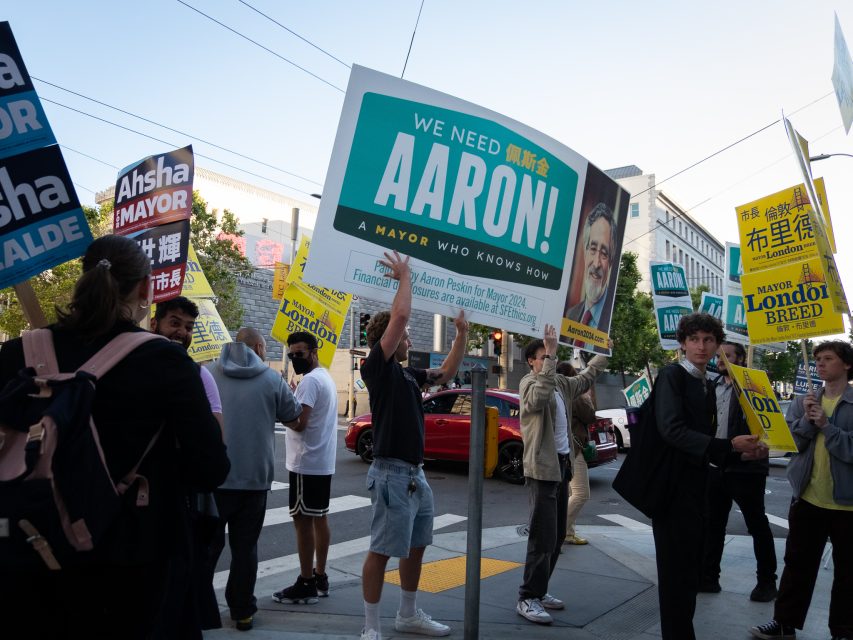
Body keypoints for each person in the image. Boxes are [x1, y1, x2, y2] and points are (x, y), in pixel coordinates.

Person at [0, 234, 230, 638]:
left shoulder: (18, 353)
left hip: (34, 549)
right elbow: (211, 468)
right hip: (136, 563)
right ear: (146, 289)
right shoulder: (165, 360)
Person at [359, 250, 468, 640]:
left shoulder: (408, 376)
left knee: (417, 545)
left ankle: (407, 614)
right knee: (381, 550)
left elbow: (447, 372)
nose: (408, 337)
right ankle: (371, 626)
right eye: (403, 336)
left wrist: (461, 333)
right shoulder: (377, 368)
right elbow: (401, 315)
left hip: (415, 476)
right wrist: (405, 275)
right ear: (388, 339)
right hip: (390, 475)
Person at [650, 312, 765, 640]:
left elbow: (707, 439)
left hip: (697, 486)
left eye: (708, 340)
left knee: (689, 572)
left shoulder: (705, 381)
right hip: (673, 489)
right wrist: (727, 445)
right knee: (675, 576)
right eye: (694, 339)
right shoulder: (673, 375)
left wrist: (740, 451)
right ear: (683, 343)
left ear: (716, 344)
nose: (701, 346)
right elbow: (672, 430)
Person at [750, 341, 853, 640]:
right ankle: (784, 623)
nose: (820, 364)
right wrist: (808, 422)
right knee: (797, 565)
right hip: (808, 497)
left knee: (848, 573)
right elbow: (790, 443)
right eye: (818, 359)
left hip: (847, 504)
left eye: (828, 358)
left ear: (846, 364)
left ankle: (844, 631)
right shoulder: (805, 399)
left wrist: (826, 425)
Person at [209, 328, 301, 631]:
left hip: (214, 479)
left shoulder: (207, 373)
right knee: (245, 550)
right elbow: (294, 417)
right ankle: (242, 611)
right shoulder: (272, 379)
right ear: (260, 347)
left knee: (205, 550)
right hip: (255, 481)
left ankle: (198, 608)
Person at [516, 326, 609, 625]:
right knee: (541, 537)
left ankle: (539, 592)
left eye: (550, 356)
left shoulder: (559, 383)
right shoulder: (530, 383)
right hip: (542, 470)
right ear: (532, 360)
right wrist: (553, 354)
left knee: (555, 537)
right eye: (544, 357)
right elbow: (537, 401)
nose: (549, 361)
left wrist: (602, 353)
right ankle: (527, 597)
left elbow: (584, 380)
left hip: (562, 465)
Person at [150, 295, 225, 635]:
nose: (181, 332)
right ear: (155, 324)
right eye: (174, 323)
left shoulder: (199, 375)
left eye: (188, 327)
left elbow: (215, 440)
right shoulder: (134, 364)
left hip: (179, 495)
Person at [700, 341, 777, 601]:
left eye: (728, 354)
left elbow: (770, 426)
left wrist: (759, 449)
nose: (721, 358)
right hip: (716, 466)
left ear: (742, 359)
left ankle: (767, 582)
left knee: (757, 525)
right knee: (713, 525)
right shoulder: (710, 386)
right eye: (719, 354)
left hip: (746, 468)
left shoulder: (755, 386)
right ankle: (709, 577)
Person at [272, 331, 338, 604]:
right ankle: (320, 576)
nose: (295, 358)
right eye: (291, 355)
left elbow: (300, 422)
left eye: (299, 354)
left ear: (313, 351)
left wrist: (282, 409)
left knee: (302, 522)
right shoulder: (325, 377)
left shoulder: (310, 381)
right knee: (319, 518)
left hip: (305, 462)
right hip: (321, 462)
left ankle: (306, 582)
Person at [556, 362, 598, 546]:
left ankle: (568, 533)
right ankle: (558, 530)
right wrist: (587, 395)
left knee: (571, 492)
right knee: (581, 494)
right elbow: (590, 416)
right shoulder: (576, 395)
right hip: (575, 448)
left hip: (564, 447)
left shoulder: (556, 390)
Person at [564, 202, 616, 351]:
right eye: (593, 249)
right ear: (585, 252)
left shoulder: (612, 323)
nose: (596, 263)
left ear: (611, 262)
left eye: (604, 253)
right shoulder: (571, 315)